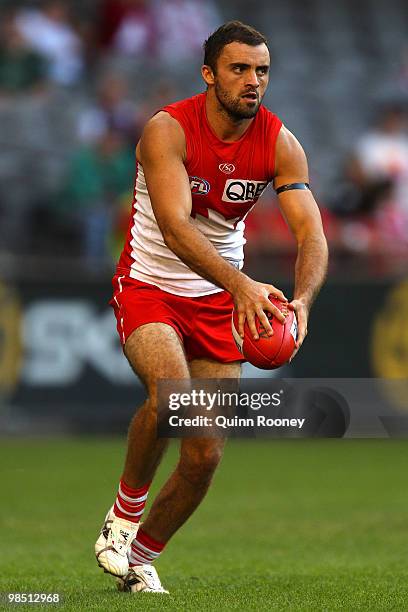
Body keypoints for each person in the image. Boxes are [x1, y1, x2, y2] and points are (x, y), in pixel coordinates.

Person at [95, 21, 328, 594]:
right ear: (209, 74)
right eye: (239, 69)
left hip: (220, 299)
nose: (253, 82)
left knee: (204, 456)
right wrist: (244, 284)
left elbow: (312, 234)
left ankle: (141, 558)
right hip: (151, 283)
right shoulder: (167, 130)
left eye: (262, 71)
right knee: (174, 399)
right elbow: (174, 229)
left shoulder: (279, 143)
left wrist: (301, 301)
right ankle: (124, 516)